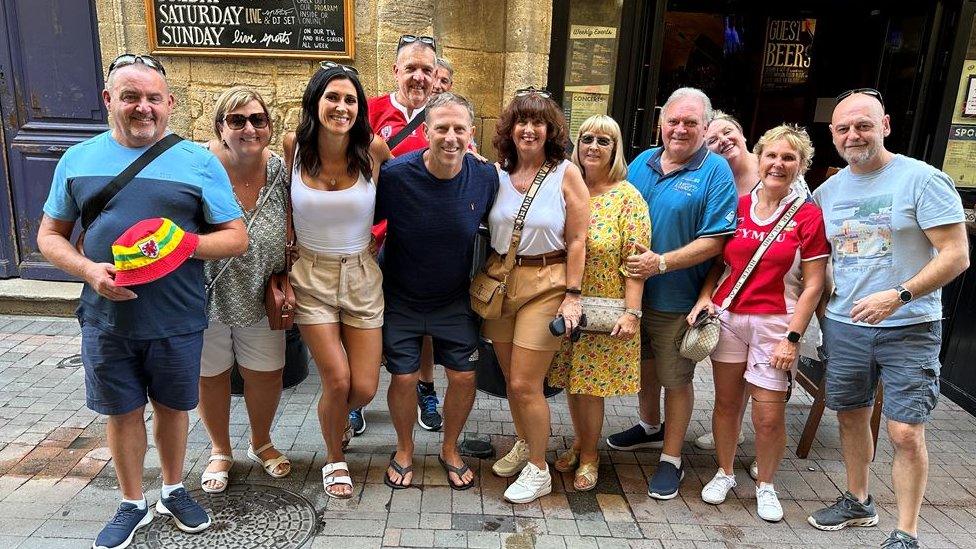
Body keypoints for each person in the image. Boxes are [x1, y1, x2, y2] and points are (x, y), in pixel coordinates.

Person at [36, 54, 247, 549]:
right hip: (106, 318)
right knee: (122, 411)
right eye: (130, 96)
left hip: (177, 317)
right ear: (109, 101)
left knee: (173, 408)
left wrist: (181, 245)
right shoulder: (77, 160)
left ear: (170, 104)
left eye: (153, 98)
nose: (143, 107)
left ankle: (173, 490)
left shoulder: (198, 161)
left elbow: (235, 237)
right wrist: (88, 270)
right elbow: (50, 235)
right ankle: (132, 503)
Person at [807, 89, 968, 549]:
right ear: (833, 135)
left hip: (910, 325)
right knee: (852, 415)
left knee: (904, 430)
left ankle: (908, 531)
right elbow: (819, 256)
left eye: (863, 125)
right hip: (846, 326)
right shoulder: (828, 191)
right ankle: (859, 501)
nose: (853, 135)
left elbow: (956, 256)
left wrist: (899, 295)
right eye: (843, 128)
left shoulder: (923, 180)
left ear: (886, 125)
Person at [689, 125, 829, 522]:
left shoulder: (807, 216)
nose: (778, 164)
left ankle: (765, 484)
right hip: (730, 317)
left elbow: (814, 283)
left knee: (768, 414)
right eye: (772, 156)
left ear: (801, 166)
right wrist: (705, 298)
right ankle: (725, 471)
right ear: (759, 157)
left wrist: (793, 337)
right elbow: (720, 261)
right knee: (727, 404)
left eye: (789, 158)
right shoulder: (737, 205)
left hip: (776, 324)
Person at [605, 87, 737, 500]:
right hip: (631, 297)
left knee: (676, 378)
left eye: (691, 123)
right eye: (674, 121)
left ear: (704, 127)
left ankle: (672, 458)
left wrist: (661, 262)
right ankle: (648, 426)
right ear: (661, 122)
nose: (680, 129)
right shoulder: (642, 161)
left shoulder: (715, 171)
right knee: (645, 368)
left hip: (677, 299)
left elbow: (716, 240)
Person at [377, 92, 498, 490]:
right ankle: (404, 448)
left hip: (453, 299)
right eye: (441, 128)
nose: (450, 137)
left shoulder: (485, 176)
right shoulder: (396, 177)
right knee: (405, 378)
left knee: (464, 377)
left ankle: (450, 448)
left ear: (471, 134)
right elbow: (364, 221)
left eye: (459, 129)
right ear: (425, 131)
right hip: (401, 297)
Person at [284, 62, 392, 499]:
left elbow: (417, 176)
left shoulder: (374, 151)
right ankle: (334, 456)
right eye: (332, 97)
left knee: (364, 386)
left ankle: (333, 419)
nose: (342, 107)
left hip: (362, 276)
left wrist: (475, 161)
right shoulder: (294, 146)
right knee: (337, 379)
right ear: (315, 102)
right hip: (309, 274)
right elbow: (281, 205)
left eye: (350, 99)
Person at [485, 87, 589, 504]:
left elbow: (579, 240)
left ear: (551, 130)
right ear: (509, 129)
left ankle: (539, 469)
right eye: (521, 122)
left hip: (547, 283)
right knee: (512, 382)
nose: (529, 129)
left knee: (527, 384)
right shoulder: (495, 173)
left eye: (538, 122)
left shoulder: (566, 173)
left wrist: (573, 295)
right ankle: (527, 443)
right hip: (501, 283)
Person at [548, 115, 650, 491]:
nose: (593, 146)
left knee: (589, 387)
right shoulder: (565, 187)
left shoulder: (628, 198)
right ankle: (580, 441)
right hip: (563, 304)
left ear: (615, 149)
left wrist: (632, 312)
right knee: (574, 383)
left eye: (603, 141)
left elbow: (635, 263)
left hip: (604, 308)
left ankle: (590, 455)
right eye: (587, 138)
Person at [196, 86, 290, 494]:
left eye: (257, 120)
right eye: (237, 121)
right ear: (220, 127)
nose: (249, 128)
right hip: (207, 292)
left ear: (269, 127)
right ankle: (220, 449)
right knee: (211, 374)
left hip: (263, 293)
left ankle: (261, 441)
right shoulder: (200, 167)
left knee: (266, 374)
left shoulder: (282, 170)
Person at [360, 34, 444, 435]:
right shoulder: (370, 110)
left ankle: (426, 389)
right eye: (410, 68)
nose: (418, 77)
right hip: (373, 236)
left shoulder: (444, 116)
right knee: (366, 318)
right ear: (395, 71)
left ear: (436, 76)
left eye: (426, 69)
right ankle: (358, 399)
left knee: (423, 322)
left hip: (422, 240)